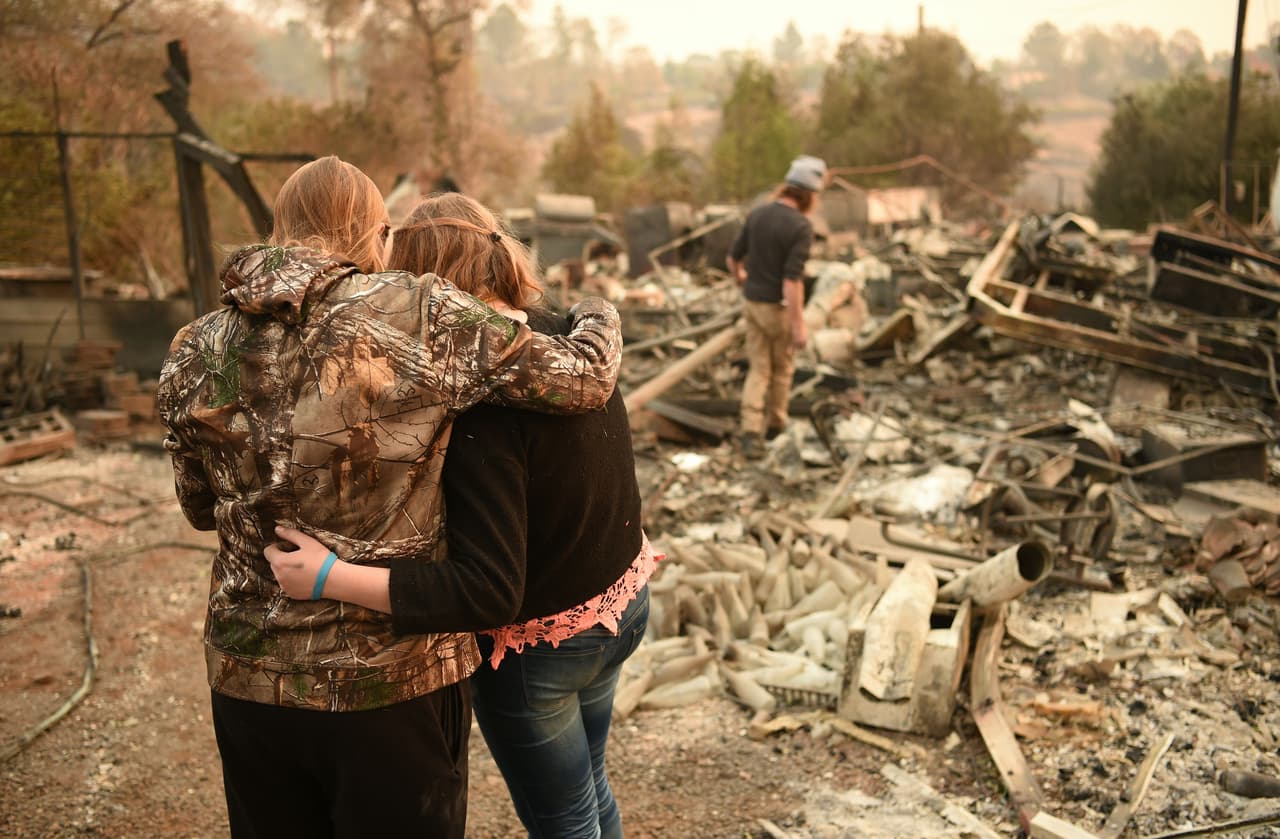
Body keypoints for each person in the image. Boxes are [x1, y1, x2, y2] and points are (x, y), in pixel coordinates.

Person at [156, 156, 624, 839]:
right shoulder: (419, 315)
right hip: (393, 684)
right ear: (374, 234)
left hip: (249, 678)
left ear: (279, 228)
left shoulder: (192, 348)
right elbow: (583, 377)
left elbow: (200, 506)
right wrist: (600, 311)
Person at [265, 191, 658, 839]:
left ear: (418, 285)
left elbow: (486, 589)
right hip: (624, 602)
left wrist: (330, 574)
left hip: (543, 649)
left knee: (564, 818)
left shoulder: (480, 404)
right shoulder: (568, 336)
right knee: (590, 788)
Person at [727, 154, 826, 460]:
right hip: (777, 309)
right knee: (782, 369)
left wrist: (741, 279)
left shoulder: (757, 214)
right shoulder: (800, 227)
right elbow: (792, 283)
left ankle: (750, 433)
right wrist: (799, 326)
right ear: (809, 195)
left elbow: (733, 258)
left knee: (758, 369)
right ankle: (776, 425)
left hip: (752, 303)